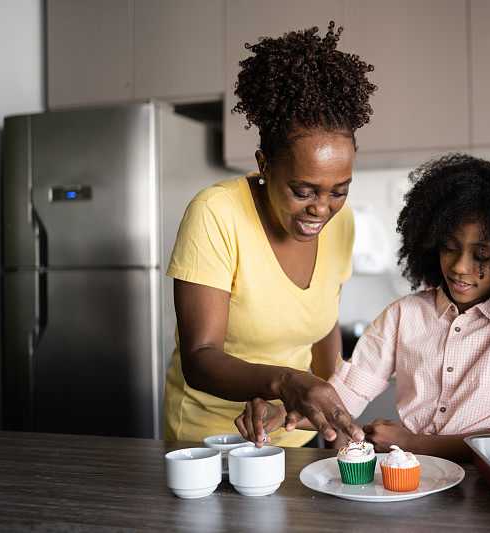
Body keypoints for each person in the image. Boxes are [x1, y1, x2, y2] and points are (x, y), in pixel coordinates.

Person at [235, 154, 490, 460]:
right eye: (450, 247)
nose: (459, 266)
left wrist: (415, 444)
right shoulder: (405, 315)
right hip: (418, 481)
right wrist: (281, 411)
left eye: (482, 255)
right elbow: (347, 392)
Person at [162, 22, 377, 446]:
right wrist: (286, 381)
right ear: (265, 165)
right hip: (209, 442)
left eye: (339, 190)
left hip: (293, 437)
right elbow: (200, 358)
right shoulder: (216, 213)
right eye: (303, 191)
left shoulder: (342, 222)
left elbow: (323, 325)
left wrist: (332, 413)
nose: (321, 208)